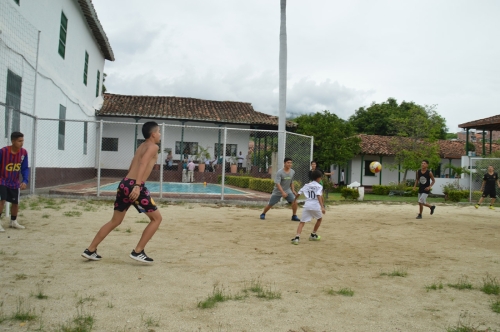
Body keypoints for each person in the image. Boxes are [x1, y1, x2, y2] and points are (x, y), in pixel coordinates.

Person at [81, 122, 163, 263]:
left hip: (125, 183)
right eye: (159, 132)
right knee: (157, 219)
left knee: (115, 220)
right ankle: (138, 251)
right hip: (135, 186)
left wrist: (129, 183)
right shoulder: (154, 147)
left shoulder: (141, 146)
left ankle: (91, 249)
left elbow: (133, 164)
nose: (160, 134)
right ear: (153, 134)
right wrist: (137, 186)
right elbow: (143, 163)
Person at [0, 132, 29, 232]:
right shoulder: (3, 151)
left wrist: (25, 180)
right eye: (19, 141)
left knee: (15, 202)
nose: (22, 143)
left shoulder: (23, 153)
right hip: (2, 180)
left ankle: (13, 221)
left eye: (22, 141)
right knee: (2, 200)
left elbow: (25, 168)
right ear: (13, 141)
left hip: (14, 181)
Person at [291, 170, 325, 245]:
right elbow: (319, 195)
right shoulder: (319, 186)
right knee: (319, 219)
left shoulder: (306, 185)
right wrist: (322, 207)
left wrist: (294, 200)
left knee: (302, 222)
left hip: (307, 205)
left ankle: (297, 238)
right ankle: (313, 234)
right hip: (315, 206)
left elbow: (299, 193)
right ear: (319, 178)